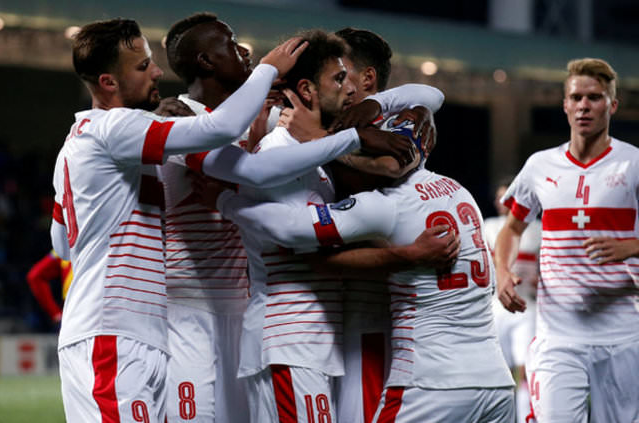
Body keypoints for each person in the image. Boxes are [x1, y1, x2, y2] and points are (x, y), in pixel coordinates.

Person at [160, 13, 439, 422]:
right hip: (251, 325)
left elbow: (429, 96)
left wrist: (376, 110)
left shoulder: (299, 145)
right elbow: (291, 224)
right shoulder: (214, 130)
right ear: (307, 89)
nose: (351, 89)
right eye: (339, 79)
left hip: (292, 332)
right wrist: (403, 250)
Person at [50, 17, 306, 422]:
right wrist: (268, 69)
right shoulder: (116, 126)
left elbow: (61, 244)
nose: (156, 72)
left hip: (135, 329)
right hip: (115, 328)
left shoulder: (77, 141)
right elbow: (221, 126)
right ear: (108, 82)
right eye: (142, 66)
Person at [215, 112, 516, 422]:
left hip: (432, 381)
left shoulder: (384, 204)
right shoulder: (457, 189)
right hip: (497, 382)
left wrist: (225, 200)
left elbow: (291, 228)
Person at [278, 27, 441, 423]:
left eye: (341, 72)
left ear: (367, 78)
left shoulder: (401, 118)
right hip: (318, 313)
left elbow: (391, 165)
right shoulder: (314, 120)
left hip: (376, 308)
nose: (336, 81)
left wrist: (319, 140)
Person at [494, 58, 639, 423]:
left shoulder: (633, 163)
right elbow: (512, 229)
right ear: (565, 105)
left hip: (623, 335)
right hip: (557, 337)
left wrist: (632, 247)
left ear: (612, 105)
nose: (584, 106)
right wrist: (502, 272)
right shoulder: (540, 165)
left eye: (594, 97)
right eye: (576, 98)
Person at [483, 178, 541, 423]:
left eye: (507, 197)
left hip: (527, 307)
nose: (501, 202)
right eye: (499, 197)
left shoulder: (537, 229)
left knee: (526, 369)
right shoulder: (488, 226)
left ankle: (526, 417)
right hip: (495, 308)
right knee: (499, 372)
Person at [26, 249, 72, 325]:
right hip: (84, 308)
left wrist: (55, 313)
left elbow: (35, 276)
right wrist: (55, 312)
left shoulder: (65, 247)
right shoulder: (65, 248)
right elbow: (35, 276)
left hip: (71, 311)